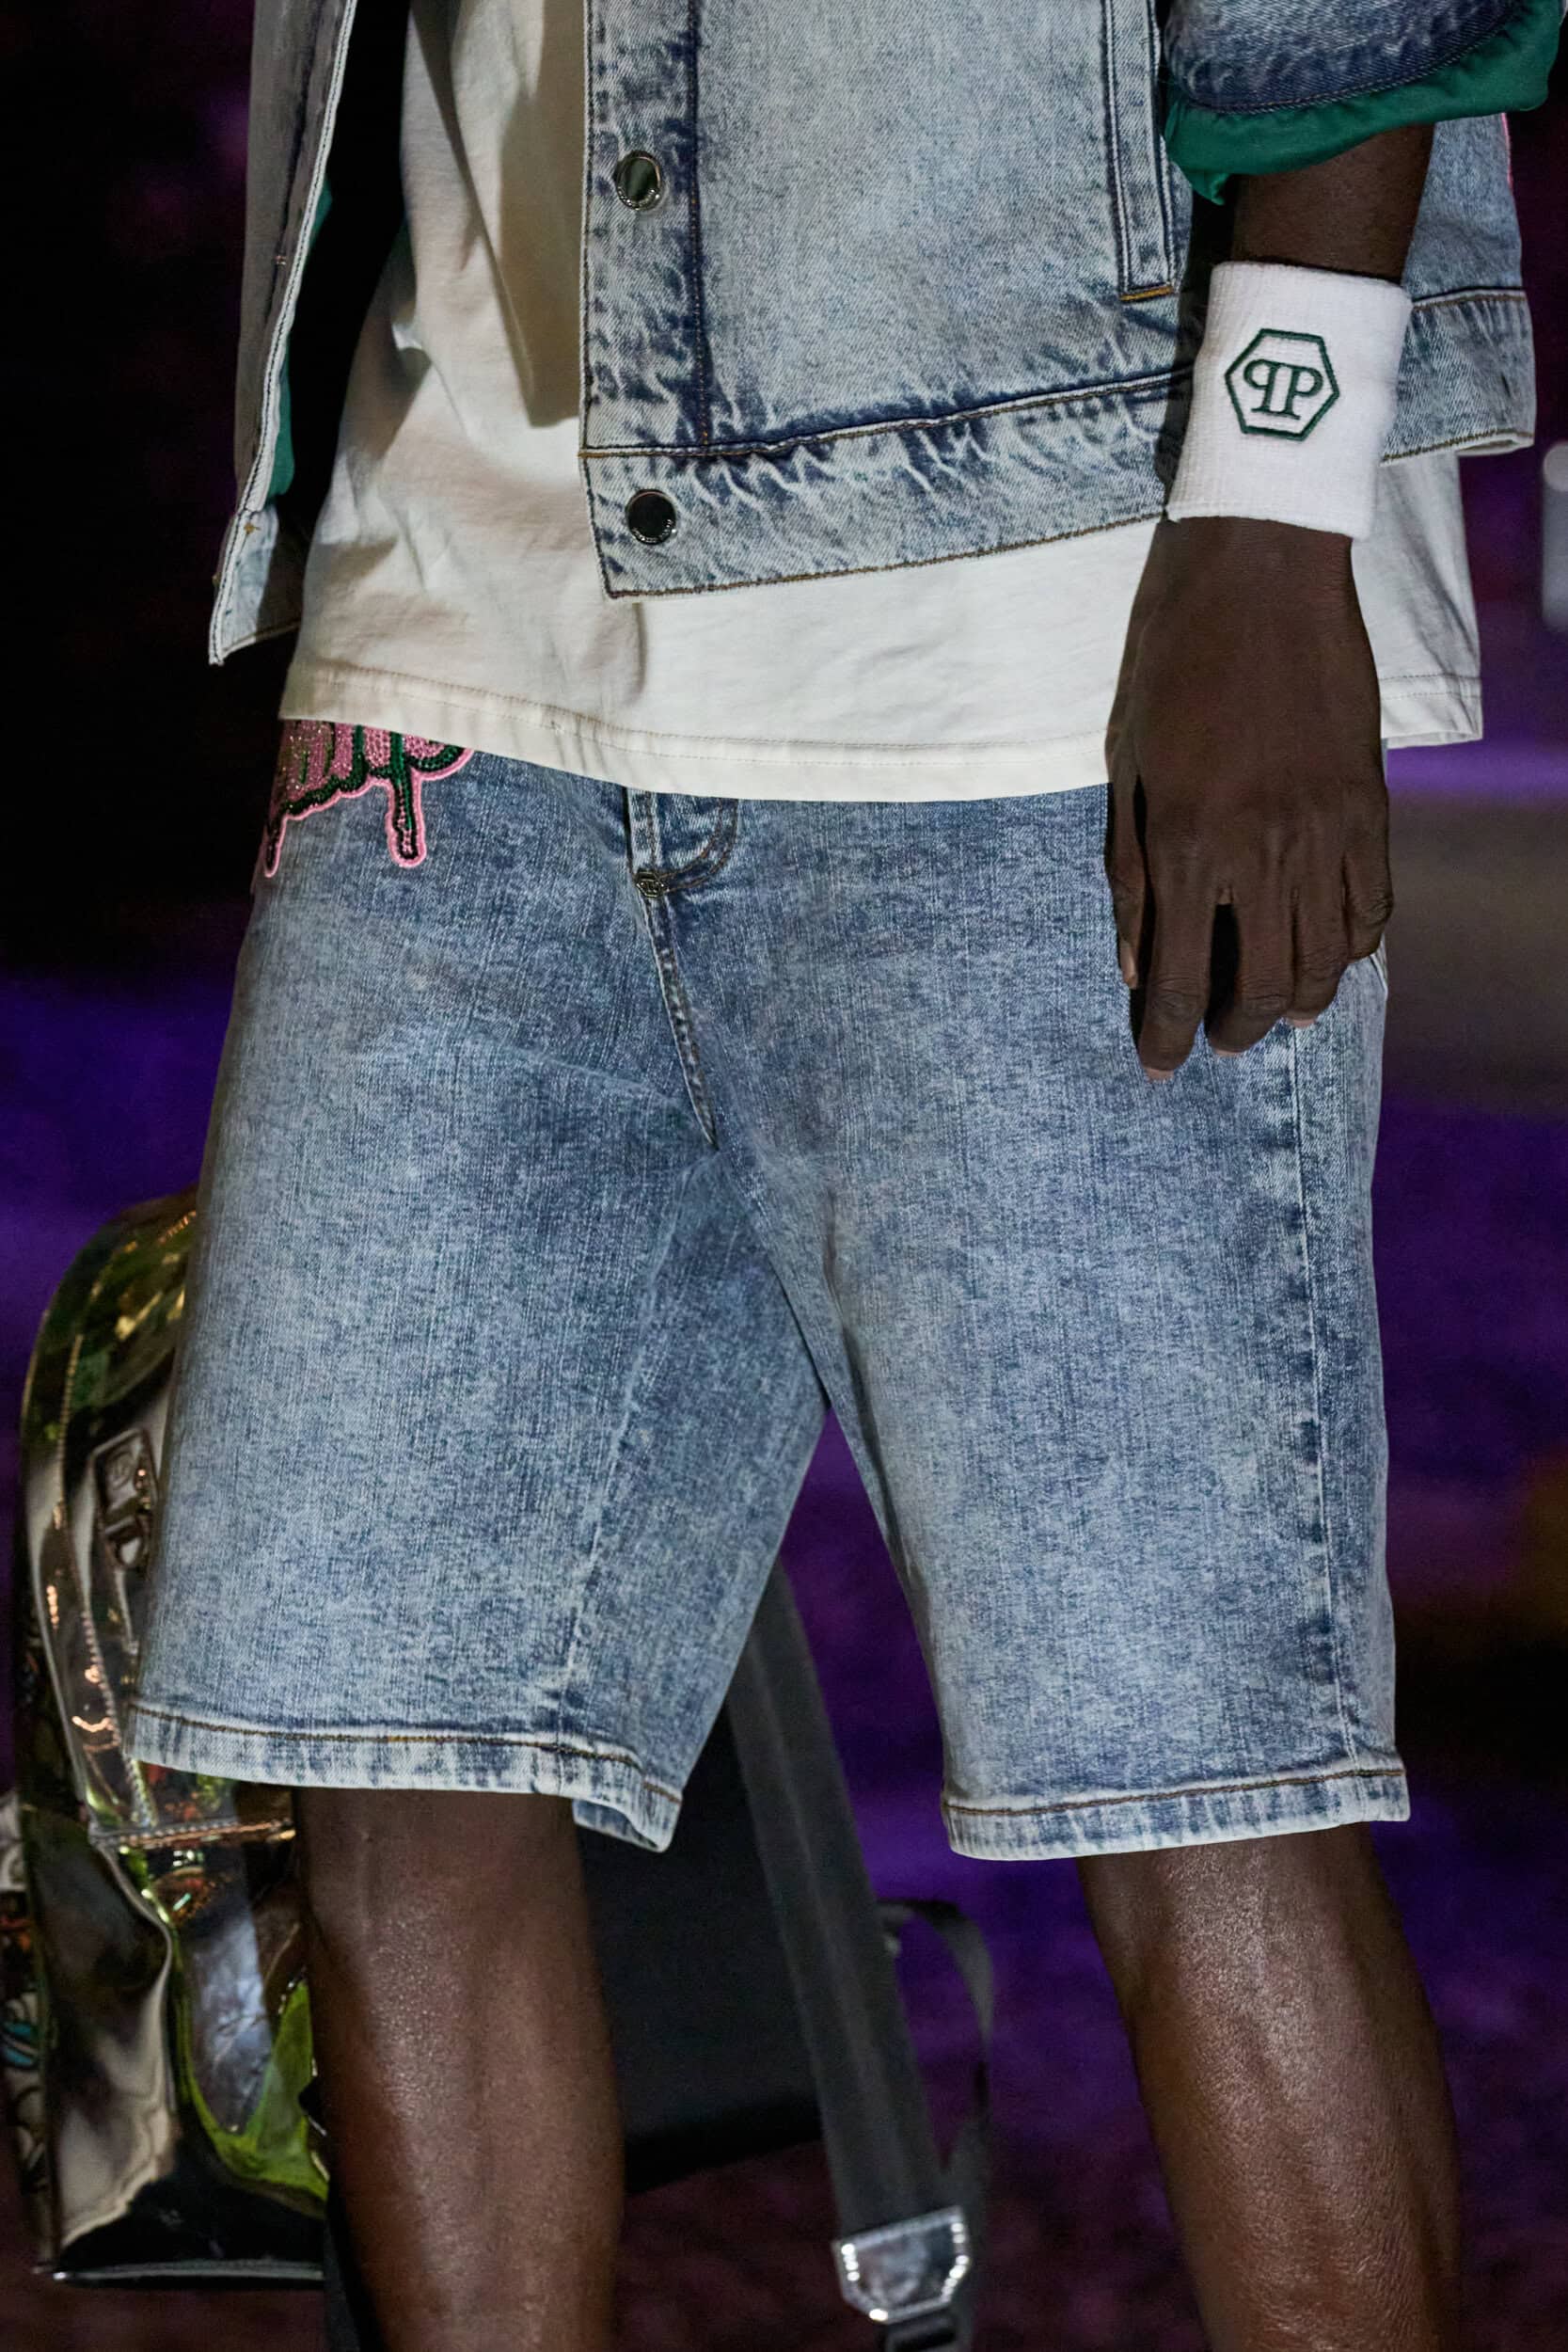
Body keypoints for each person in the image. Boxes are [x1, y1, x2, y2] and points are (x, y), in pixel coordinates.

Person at [124, 3, 1560, 2345]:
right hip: (454, 622)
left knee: (1198, 1782)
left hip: (1047, 628)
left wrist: (1277, 511)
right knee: (386, 1751)